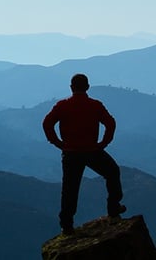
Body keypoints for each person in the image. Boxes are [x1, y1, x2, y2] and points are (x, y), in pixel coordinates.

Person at [42, 73, 125, 235]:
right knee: (112, 172)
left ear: (71, 87)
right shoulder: (95, 105)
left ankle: (66, 225)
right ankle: (114, 208)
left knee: (70, 189)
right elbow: (110, 123)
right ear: (87, 87)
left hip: (71, 153)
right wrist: (103, 143)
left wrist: (58, 143)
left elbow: (47, 124)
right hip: (92, 151)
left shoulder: (62, 106)